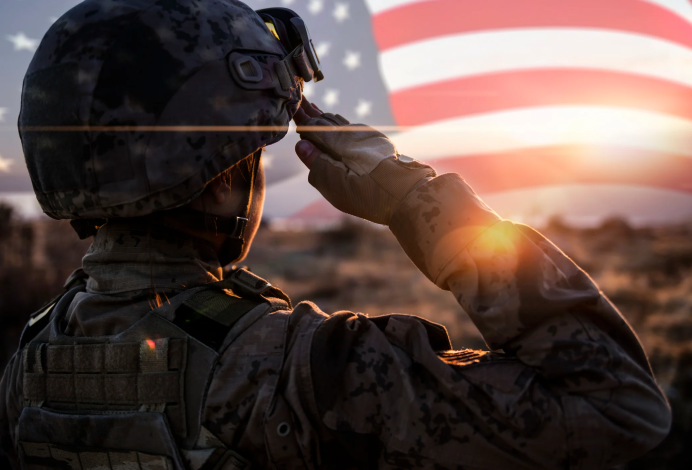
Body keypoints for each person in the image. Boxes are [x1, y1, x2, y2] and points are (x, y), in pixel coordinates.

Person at [0, 0, 671, 469]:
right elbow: (617, 406)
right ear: (218, 171)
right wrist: (411, 193)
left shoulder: (29, 360)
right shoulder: (303, 372)